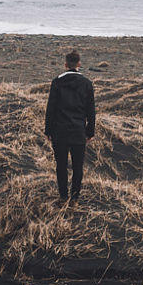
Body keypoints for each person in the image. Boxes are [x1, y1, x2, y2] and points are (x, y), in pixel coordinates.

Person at [44, 50, 96, 203]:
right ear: (79, 64)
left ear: (65, 64)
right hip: (78, 131)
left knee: (61, 165)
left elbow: (50, 108)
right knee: (77, 166)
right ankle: (75, 197)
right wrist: (90, 131)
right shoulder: (87, 83)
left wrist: (48, 130)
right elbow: (90, 111)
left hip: (59, 131)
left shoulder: (57, 82)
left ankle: (63, 196)